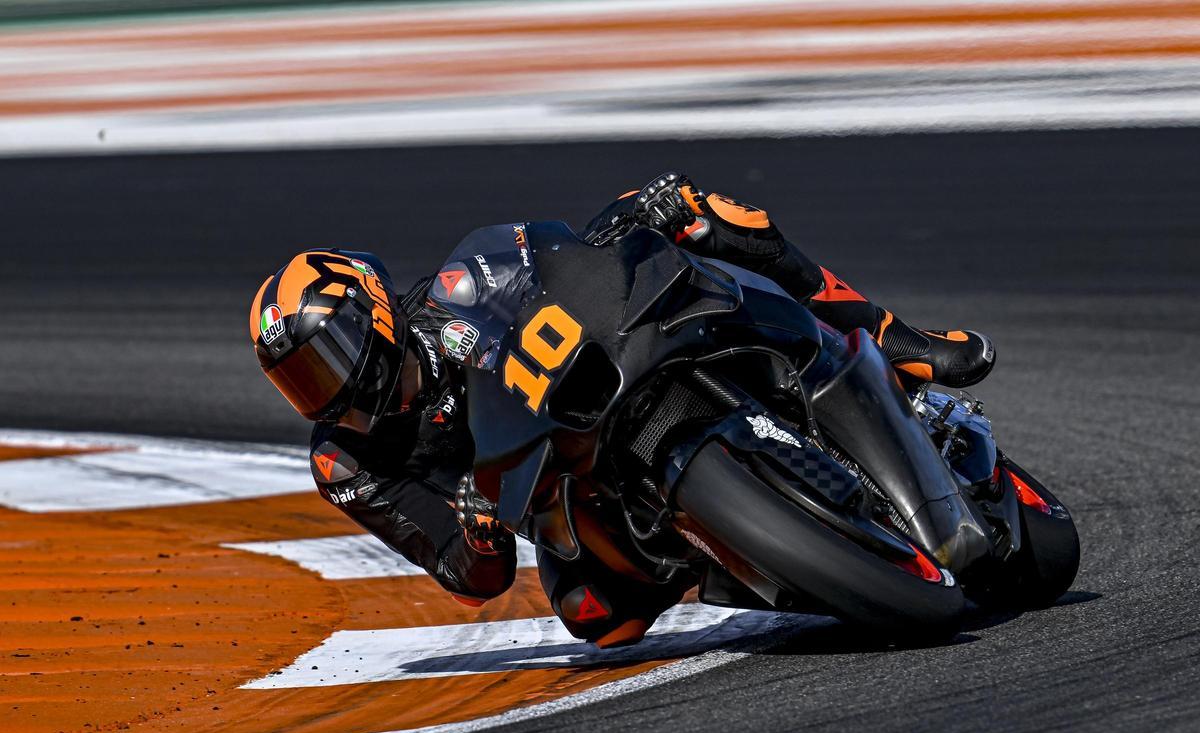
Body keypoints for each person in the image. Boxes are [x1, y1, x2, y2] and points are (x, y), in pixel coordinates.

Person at [249, 172, 995, 648]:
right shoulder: (345, 462)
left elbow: (551, 256)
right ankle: (727, 545)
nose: (329, 388)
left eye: (329, 357)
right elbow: (468, 572)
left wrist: (632, 221)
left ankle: (896, 338)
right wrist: (477, 534)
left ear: (373, 313)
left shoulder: (457, 292)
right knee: (596, 621)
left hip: (610, 371)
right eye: (303, 382)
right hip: (573, 490)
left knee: (690, 206)